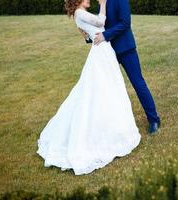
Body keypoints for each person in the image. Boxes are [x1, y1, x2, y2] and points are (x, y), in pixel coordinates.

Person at [36, 0, 141, 175]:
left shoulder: (79, 14)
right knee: (101, 90)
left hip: (103, 50)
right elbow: (100, 22)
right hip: (101, 51)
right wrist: (103, 4)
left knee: (105, 88)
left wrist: (86, 35)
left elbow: (93, 31)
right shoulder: (80, 12)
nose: (89, 0)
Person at [78, 0, 161, 134]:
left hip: (126, 49)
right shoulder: (101, 2)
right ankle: (112, 125)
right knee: (108, 88)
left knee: (138, 83)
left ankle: (154, 120)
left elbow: (125, 23)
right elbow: (101, 24)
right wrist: (88, 36)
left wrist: (105, 35)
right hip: (108, 53)